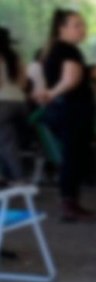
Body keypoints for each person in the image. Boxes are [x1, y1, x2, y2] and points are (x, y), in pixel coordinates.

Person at [38, 9, 95, 221]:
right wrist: (52, 94)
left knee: (71, 157)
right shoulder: (68, 50)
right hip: (73, 112)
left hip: (65, 111)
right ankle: (68, 203)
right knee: (73, 157)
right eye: (77, 25)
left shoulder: (54, 50)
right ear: (62, 28)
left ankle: (69, 201)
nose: (82, 29)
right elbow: (71, 78)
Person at [0, 26, 27, 185]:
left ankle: (18, 178)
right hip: (20, 103)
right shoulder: (15, 57)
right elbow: (23, 84)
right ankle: (13, 177)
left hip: (3, 103)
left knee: (7, 142)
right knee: (6, 139)